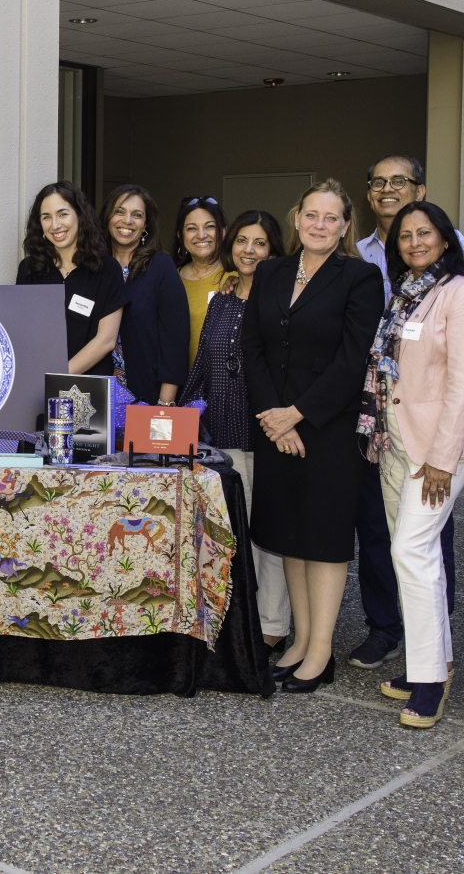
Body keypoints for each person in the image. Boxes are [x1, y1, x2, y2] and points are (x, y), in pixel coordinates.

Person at [358, 201, 464, 728]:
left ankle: (431, 683)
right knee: (417, 558)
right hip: (396, 444)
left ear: (445, 240)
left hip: (442, 450)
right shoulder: (406, 297)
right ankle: (432, 662)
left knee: (411, 550)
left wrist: (441, 458)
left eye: (426, 233)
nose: (415, 242)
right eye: (406, 235)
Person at [242, 179, 384, 693]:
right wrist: (273, 417)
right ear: (297, 218)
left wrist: (298, 414)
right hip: (275, 426)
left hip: (328, 428)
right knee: (288, 536)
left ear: (346, 225)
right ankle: (300, 643)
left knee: (322, 540)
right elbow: (252, 346)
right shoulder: (273, 271)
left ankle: (320, 653)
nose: (319, 224)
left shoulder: (361, 278)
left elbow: (354, 360)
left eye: (331, 217)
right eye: (311, 215)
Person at [347, 154, 464, 670]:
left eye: (398, 181)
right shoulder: (360, 252)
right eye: (377, 181)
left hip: (431, 429)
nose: (386, 189)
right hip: (378, 422)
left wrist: (454, 433)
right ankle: (387, 629)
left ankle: (434, 645)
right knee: (379, 530)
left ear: (419, 190)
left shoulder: (455, 272)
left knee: (422, 541)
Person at [181, 210, 290, 650]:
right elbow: (205, 362)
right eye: (242, 241)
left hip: (265, 432)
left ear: (274, 250)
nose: (249, 250)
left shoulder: (281, 301)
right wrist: (179, 411)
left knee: (268, 535)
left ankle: (272, 626)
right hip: (222, 433)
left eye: (260, 243)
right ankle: (235, 619)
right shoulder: (222, 298)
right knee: (231, 532)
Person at [17, 182, 126, 376]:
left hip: (91, 390)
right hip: (38, 384)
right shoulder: (29, 269)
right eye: (46, 217)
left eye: (63, 214)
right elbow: (24, 333)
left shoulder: (107, 269)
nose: (55, 225)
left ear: (80, 216)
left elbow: (106, 340)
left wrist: (59, 376)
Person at [99, 185, 188, 403]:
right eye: (119, 211)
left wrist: (164, 406)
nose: (127, 221)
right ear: (108, 216)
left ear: (145, 224)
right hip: (94, 395)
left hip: (147, 394)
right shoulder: (93, 268)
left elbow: (175, 342)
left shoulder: (161, 267)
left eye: (137, 215)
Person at [174, 196, 229, 366]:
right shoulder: (170, 278)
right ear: (180, 235)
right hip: (179, 387)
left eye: (210, 227)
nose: (201, 235)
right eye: (191, 228)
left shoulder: (236, 277)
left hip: (221, 387)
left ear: (224, 231)